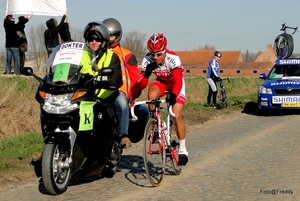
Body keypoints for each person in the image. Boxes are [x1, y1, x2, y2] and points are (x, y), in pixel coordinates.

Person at [137, 33, 188, 166]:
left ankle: (183, 149)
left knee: (176, 114)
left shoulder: (173, 59)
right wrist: (146, 74)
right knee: (151, 95)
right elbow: (141, 85)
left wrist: (174, 95)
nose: (155, 57)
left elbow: (177, 81)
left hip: (176, 84)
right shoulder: (148, 60)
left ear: (164, 51)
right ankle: (158, 126)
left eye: (158, 54)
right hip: (161, 82)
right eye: (152, 54)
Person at [103, 18, 143, 148]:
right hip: (99, 89)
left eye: (111, 35)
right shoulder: (97, 52)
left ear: (118, 36)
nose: (108, 38)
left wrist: (132, 96)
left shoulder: (126, 54)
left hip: (118, 90)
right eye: (106, 35)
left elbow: (136, 79)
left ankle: (123, 135)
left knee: (122, 104)